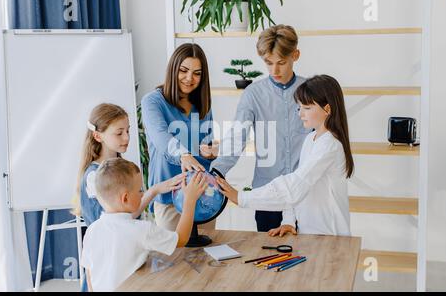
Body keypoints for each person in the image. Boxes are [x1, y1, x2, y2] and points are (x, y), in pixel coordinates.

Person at [216, 75, 354, 237]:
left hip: (331, 238)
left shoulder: (329, 145)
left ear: (327, 109)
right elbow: (298, 184)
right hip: (309, 235)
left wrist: (242, 197)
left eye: (307, 108)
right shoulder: (311, 139)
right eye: (299, 107)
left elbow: (295, 185)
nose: (301, 114)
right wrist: (288, 221)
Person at [210, 25, 311, 232]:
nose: (275, 70)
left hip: (305, 194)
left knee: (309, 260)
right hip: (268, 196)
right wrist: (216, 171)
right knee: (270, 259)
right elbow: (238, 137)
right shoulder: (253, 94)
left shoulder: (311, 92)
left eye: (281, 63)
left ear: (296, 55)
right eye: (268, 63)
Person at [76, 103, 185, 292]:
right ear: (98, 136)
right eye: (119, 133)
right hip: (110, 275)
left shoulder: (119, 167)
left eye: (128, 131)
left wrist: (157, 188)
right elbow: (120, 220)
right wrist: (154, 191)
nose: (126, 138)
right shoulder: (95, 177)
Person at [81, 158, 207, 291]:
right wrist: (190, 200)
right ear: (125, 198)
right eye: (140, 190)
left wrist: (155, 190)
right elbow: (180, 239)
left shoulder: (92, 230)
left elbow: (89, 274)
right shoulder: (141, 229)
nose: (142, 194)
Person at [141, 43, 218, 231]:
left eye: (197, 73)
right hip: (169, 199)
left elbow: (207, 144)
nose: (189, 78)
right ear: (173, 69)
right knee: (174, 257)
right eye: (183, 70)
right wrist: (184, 154)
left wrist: (210, 152)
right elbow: (160, 137)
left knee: (206, 256)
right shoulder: (153, 101)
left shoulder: (202, 106)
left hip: (203, 196)